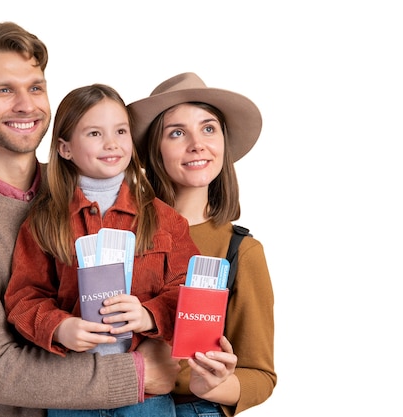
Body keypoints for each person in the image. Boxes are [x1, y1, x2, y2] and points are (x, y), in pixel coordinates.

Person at [0, 22, 180, 417]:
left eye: (35, 88)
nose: (25, 105)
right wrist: (139, 373)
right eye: (4, 90)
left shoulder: (89, 191)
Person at [4, 83, 200, 416]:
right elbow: (25, 296)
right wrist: (59, 327)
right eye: (95, 133)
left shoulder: (166, 220)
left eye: (120, 131)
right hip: (74, 395)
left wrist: (149, 314)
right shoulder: (44, 221)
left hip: (145, 398)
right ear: (65, 149)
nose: (111, 143)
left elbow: (189, 293)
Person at [128, 72, 277, 416]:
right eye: (177, 132)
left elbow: (261, 375)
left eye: (208, 128)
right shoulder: (117, 233)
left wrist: (213, 384)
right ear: (154, 150)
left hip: (194, 408)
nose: (196, 143)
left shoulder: (241, 251)